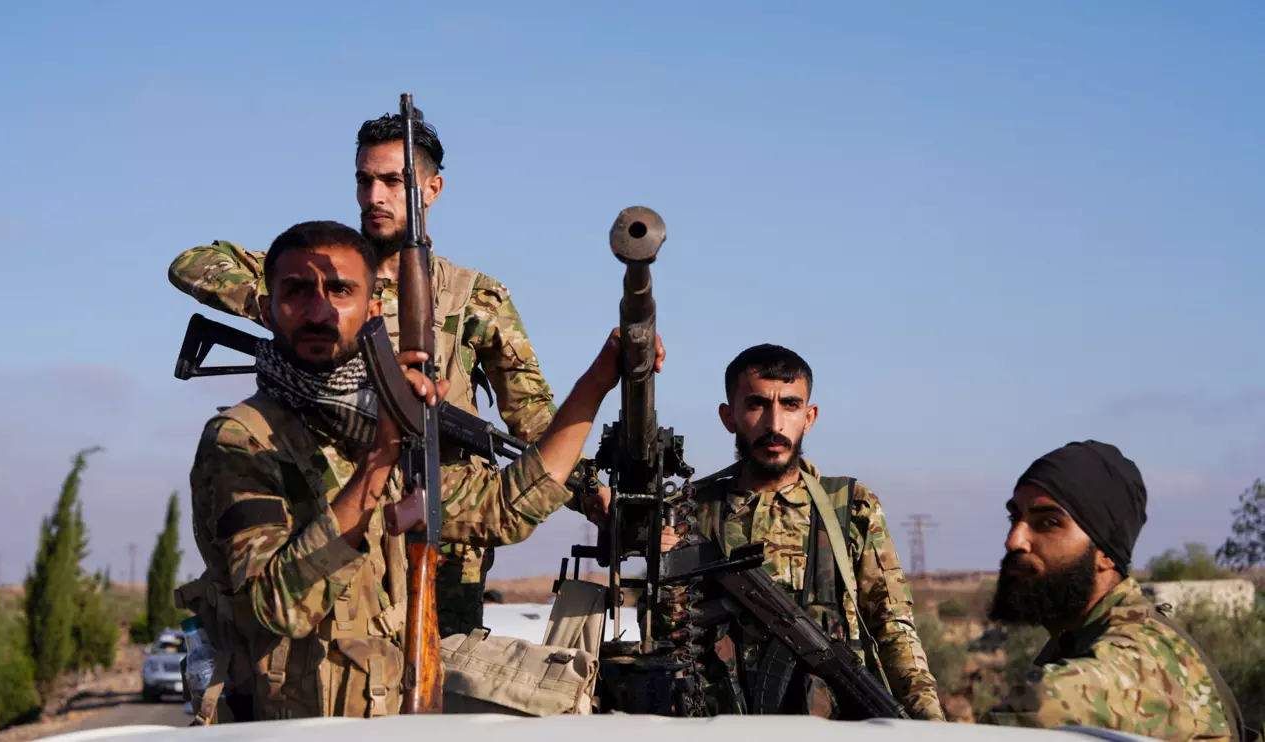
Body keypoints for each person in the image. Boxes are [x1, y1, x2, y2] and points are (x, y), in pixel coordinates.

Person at [176, 220, 660, 722]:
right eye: (296, 291)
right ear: (264, 308)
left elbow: (505, 508)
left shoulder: (383, 431)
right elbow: (274, 605)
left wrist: (600, 378)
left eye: (340, 290)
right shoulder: (244, 439)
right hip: (285, 725)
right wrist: (381, 458)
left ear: (372, 310)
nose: (319, 310)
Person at [168, 111, 588, 636]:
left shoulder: (475, 298)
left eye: (393, 181)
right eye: (365, 180)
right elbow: (192, 262)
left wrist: (595, 495)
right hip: (324, 510)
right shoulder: (323, 271)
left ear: (431, 189)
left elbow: (531, 420)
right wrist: (286, 306)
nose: (375, 196)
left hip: (443, 530)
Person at [657, 344, 944, 720]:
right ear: (729, 417)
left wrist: (931, 723)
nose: (774, 425)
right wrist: (664, 574)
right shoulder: (689, 511)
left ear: (809, 417)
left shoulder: (849, 506)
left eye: (790, 405)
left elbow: (894, 629)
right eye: (757, 404)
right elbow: (668, 637)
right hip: (721, 724)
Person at [981, 440, 1243, 741]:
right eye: (1016, 518)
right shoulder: (1083, 635)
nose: (1014, 540)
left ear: (1105, 553)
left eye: (1048, 523)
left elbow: (1045, 704)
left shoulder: (1134, 658)